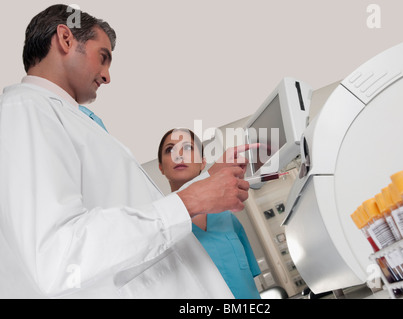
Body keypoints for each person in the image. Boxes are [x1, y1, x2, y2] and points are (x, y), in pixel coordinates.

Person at [0, 4, 252, 299]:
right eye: (102, 57)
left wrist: (205, 182)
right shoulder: (23, 112)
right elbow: (60, 258)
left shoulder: (67, 119)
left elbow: (120, 215)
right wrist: (190, 201)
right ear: (66, 38)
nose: (107, 76)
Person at [158, 128, 262, 299]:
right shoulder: (163, 228)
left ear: (203, 163)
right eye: (170, 149)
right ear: (161, 167)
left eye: (189, 148)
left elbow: (249, 280)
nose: (179, 155)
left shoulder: (228, 219)